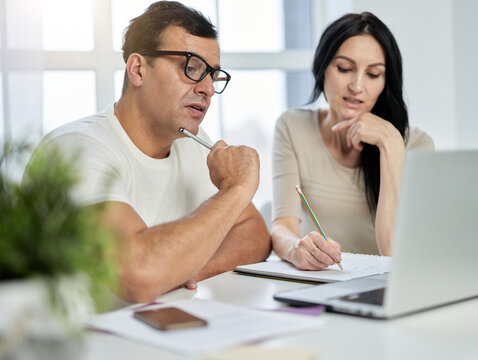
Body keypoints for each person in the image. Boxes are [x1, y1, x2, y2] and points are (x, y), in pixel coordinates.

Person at [30, 1, 271, 302]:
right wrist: (236, 189)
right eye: (192, 67)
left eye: (213, 74)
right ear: (138, 69)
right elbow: (140, 275)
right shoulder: (74, 149)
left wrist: (179, 269)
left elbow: (255, 235)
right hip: (86, 343)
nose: (208, 88)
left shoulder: (193, 145)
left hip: (165, 338)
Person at [271, 12, 434, 270]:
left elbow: (394, 252)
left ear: (386, 82)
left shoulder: (416, 145)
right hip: (322, 283)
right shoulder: (293, 127)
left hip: (387, 286)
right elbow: (283, 225)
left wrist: (390, 144)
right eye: (345, 69)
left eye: (373, 74)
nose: (357, 86)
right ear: (322, 68)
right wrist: (297, 249)